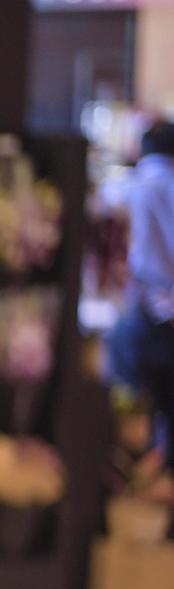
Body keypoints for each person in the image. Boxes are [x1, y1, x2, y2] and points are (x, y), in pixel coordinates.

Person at [104, 119, 174, 466]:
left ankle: (134, 472)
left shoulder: (124, 186)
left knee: (130, 405)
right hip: (166, 313)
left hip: (137, 310)